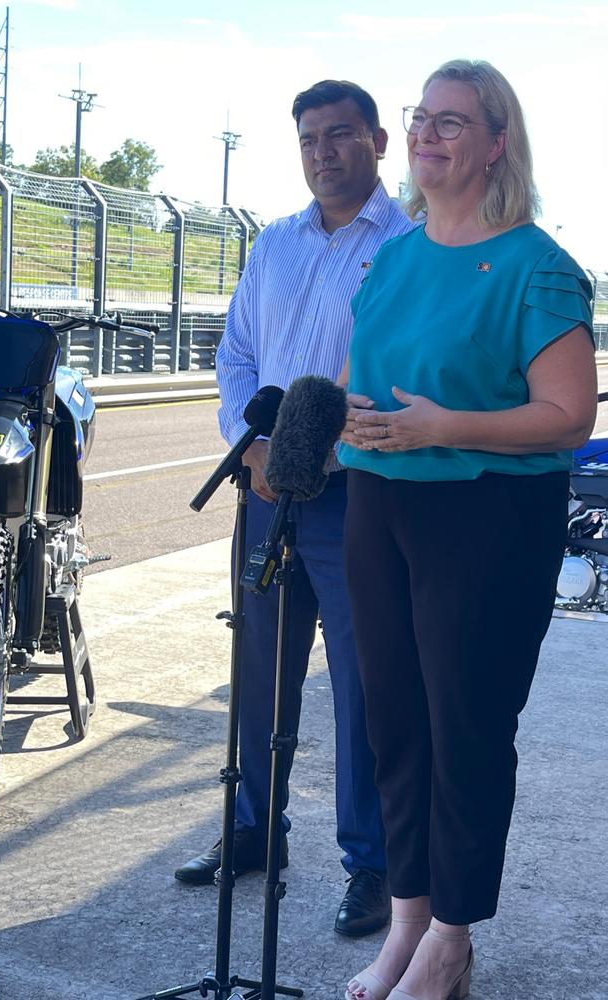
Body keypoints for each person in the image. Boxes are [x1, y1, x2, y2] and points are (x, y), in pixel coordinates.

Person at [339, 60, 597, 999]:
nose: (426, 134)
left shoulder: (538, 264)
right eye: (420, 118)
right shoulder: (397, 253)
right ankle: (408, 921)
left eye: (452, 121)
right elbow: (368, 370)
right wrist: (355, 425)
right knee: (395, 723)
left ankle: (453, 936)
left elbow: (569, 414)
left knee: (467, 726)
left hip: (486, 514)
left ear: (497, 143)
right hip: (379, 501)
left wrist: (440, 425)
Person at [174, 80, 414, 937]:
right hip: (266, 489)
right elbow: (237, 355)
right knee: (260, 673)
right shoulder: (272, 244)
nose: (324, 151)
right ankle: (251, 833)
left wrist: (321, 449)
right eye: (310, 137)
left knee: (359, 684)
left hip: (355, 499)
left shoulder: (410, 246)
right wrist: (260, 446)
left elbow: (403, 380)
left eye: (342, 135)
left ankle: (373, 865)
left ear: (378, 142)